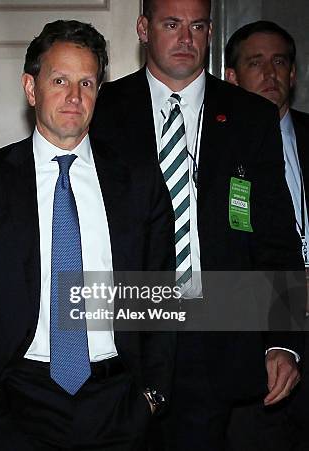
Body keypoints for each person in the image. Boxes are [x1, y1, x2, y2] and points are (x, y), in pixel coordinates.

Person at [0, 19, 176, 451]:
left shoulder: (139, 182)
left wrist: (151, 397)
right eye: (60, 79)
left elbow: (159, 296)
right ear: (31, 88)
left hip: (117, 404)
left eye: (87, 82)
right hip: (16, 400)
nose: (74, 96)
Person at [90, 1, 305, 450]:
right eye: (172, 25)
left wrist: (283, 340)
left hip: (218, 341)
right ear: (144, 29)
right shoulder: (100, 110)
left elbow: (277, 237)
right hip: (124, 340)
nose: (187, 39)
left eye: (198, 26)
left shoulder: (250, 116)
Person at [225, 20, 309, 451]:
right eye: (255, 63)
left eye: (279, 62)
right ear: (232, 77)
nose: (270, 73)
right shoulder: (216, 152)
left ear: (293, 74)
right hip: (258, 350)